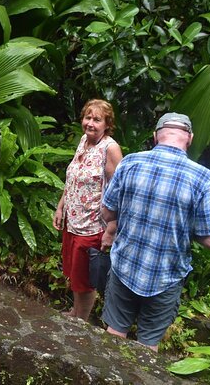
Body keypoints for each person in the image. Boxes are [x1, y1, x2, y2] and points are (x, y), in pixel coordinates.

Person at [101, 112, 210, 351]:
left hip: (124, 266)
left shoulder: (130, 163)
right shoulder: (202, 178)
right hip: (166, 276)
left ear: (156, 136)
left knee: (114, 335)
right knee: (148, 347)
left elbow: (107, 214)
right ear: (189, 138)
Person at [53, 99, 123, 321]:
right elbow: (72, 178)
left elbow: (118, 190)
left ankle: (81, 319)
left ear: (107, 124)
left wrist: (111, 228)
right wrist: (61, 206)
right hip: (73, 220)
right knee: (75, 272)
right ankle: (75, 311)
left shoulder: (110, 148)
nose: (90, 123)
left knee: (86, 277)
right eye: (88, 118)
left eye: (97, 119)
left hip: (93, 225)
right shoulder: (84, 141)